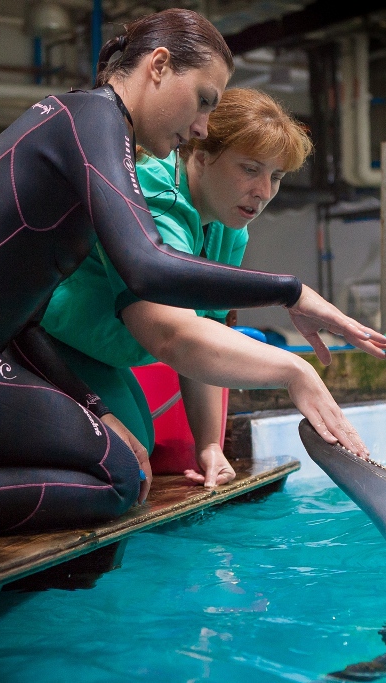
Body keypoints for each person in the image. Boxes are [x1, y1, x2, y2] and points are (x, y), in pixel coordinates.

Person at [0, 9, 386, 539]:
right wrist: (291, 295)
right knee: (119, 479)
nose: (206, 124)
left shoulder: (94, 145)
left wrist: (92, 407)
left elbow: (24, 322)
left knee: (118, 454)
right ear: (159, 67)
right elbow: (151, 269)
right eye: (204, 99)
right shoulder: (91, 118)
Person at [42, 87, 332, 489]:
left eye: (276, 176)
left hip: (99, 353)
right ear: (200, 152)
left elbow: (206, 337)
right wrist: (293, 370)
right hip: (44, 340)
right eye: (250, 169)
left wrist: (209, 445)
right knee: (120, 462)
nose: (264, 191)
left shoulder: (230, 231)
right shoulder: (153, 194)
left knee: (143, 438)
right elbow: (175, 336)